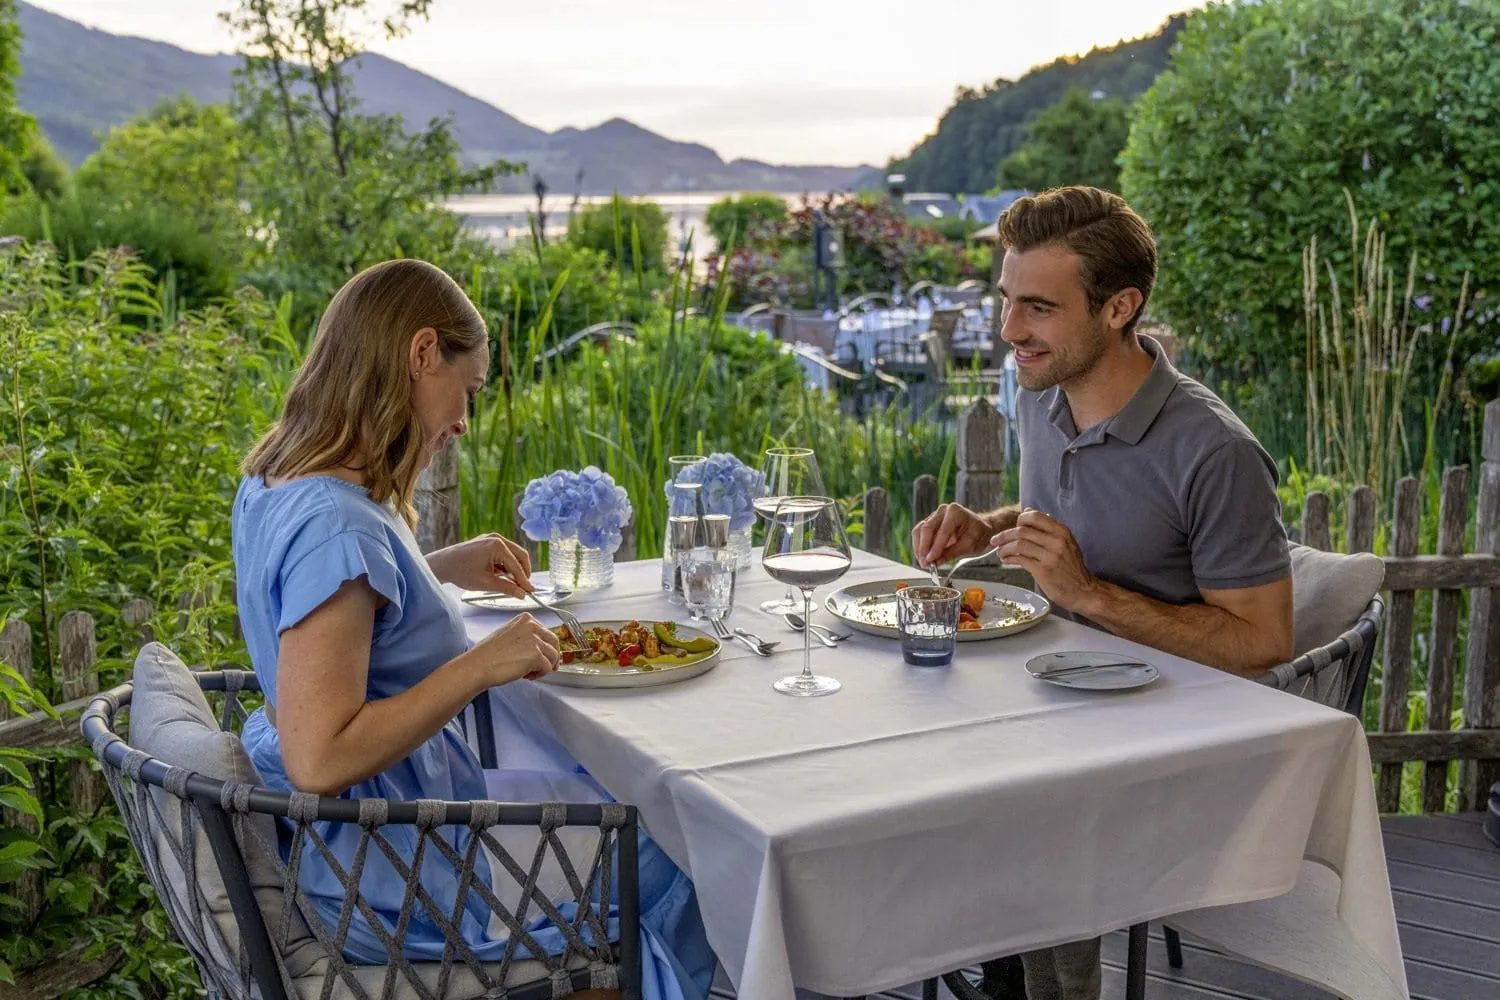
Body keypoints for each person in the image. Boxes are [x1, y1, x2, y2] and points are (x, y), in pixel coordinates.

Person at [233, 258, 715, 1000]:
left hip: (367, 840)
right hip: (398, 874)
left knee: (620, 797)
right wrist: (481, 665)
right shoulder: (337, 524)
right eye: (470, 389)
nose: (463, 420)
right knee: (688, 844)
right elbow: (319, 759)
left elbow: (325, 617)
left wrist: (438, 569)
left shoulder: (277, 480)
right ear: (423, 352)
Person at [910, 187, 1293, 1000]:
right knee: (907, 720)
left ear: (1120, 308)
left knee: (1009, 788)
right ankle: (981, 952)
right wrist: (988, 526)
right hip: (1056, 695)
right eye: (1007, 299)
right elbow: (1063, 513)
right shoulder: (1043, 394)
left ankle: (1024, 973)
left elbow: (1263, 642)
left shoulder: (1215, 452)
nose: (1009, 330)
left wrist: (1088, 593)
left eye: (1039, 308)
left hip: (1175, 743)